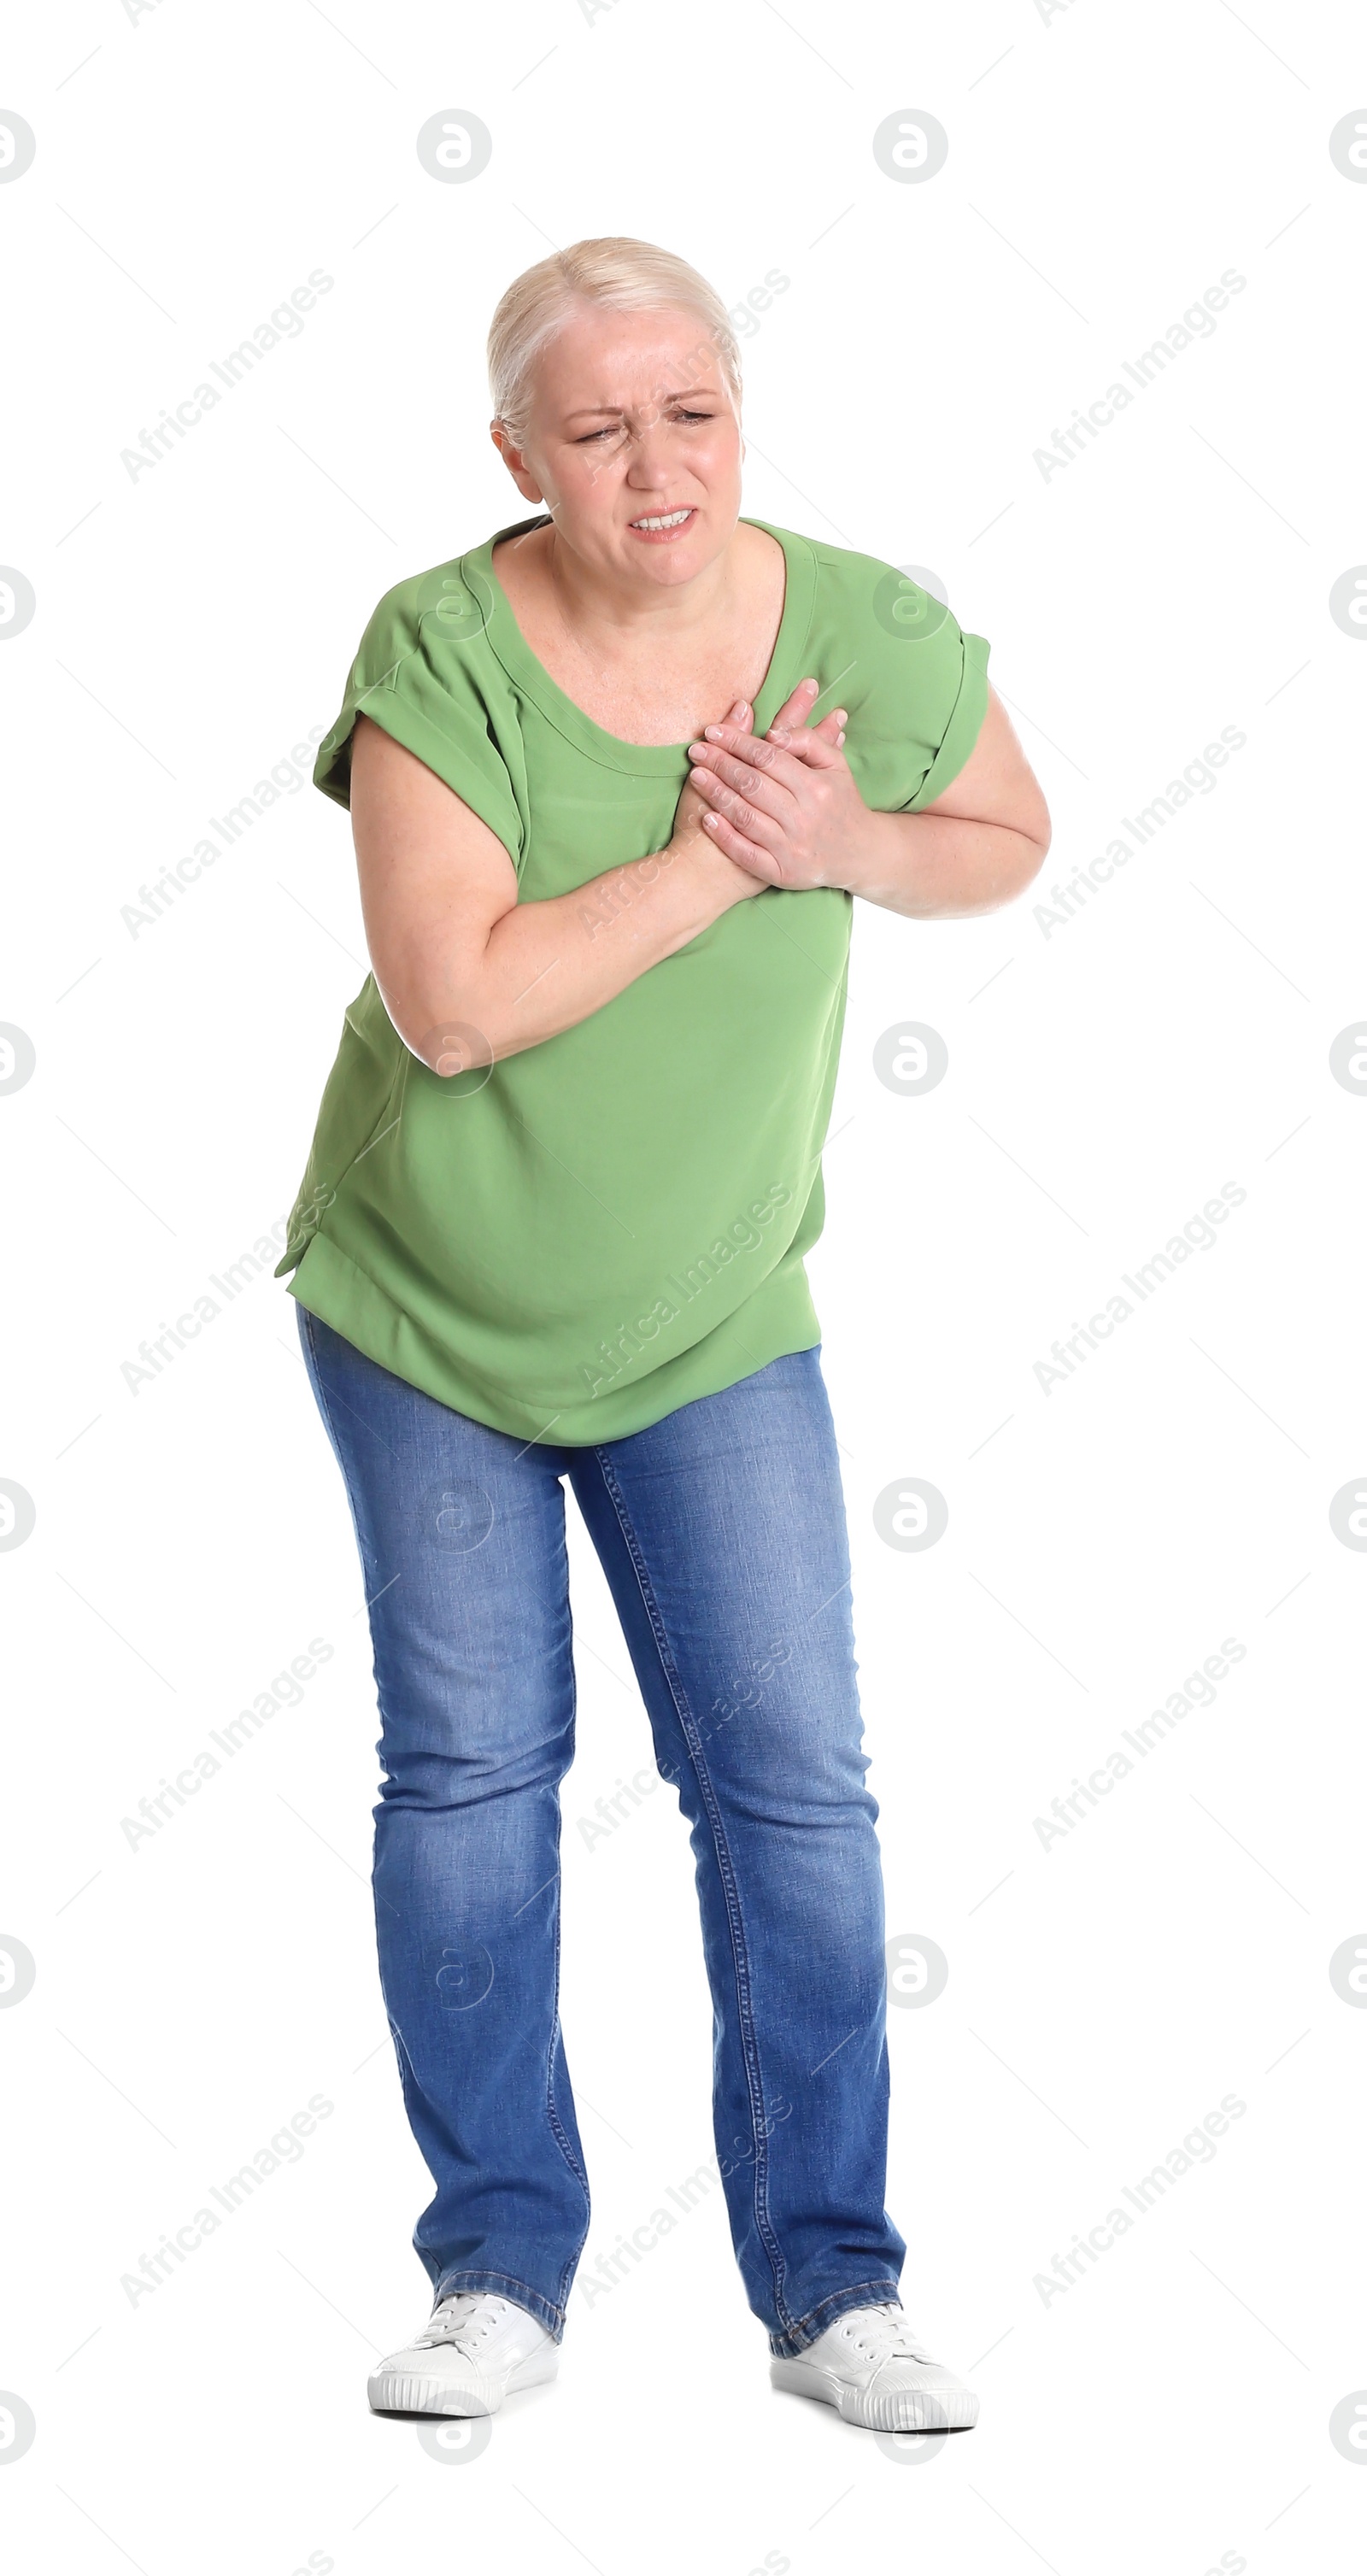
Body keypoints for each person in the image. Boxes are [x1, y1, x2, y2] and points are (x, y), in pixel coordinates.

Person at [277, 236, 1050, 2434]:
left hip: (713, 1312)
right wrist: (730, 868)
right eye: (596, 428)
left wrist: (852, 839)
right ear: (517, 454)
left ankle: (829, 2289)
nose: (655, 466)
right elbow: (456, 1002)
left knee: (790, 1789)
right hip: (425, 1303)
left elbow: (1000, 832)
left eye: (689, 411)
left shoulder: (859, 627)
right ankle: (496, 2266)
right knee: (470, 1780)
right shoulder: (441, 641)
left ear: (738, 411)